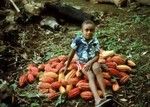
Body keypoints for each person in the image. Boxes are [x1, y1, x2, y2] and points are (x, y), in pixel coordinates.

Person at [64, 20, 112, 107]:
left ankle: (105, 94)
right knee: (90, 75)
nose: (89, 32)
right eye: (86, 30)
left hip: (92, 61)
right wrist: (66, 66)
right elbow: (71, 54)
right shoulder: (77, 40)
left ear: (94, 31)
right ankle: (97, 100)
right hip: (82, 63)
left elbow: (97, 56)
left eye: (91, 30)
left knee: (97, 68)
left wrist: (90, 62)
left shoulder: (95, 41)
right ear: (82, 31)